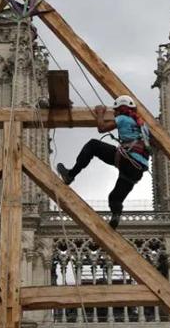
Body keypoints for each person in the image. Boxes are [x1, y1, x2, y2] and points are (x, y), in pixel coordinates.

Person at [56, 95, 150, 229]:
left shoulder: (122, 118)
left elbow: (101, 128)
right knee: (115, 198)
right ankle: (115, 217)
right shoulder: (144, 126)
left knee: (93, 145)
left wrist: (100, 112)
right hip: (138, 170)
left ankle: (70, 174)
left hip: (126, 160)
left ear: (118, 110)